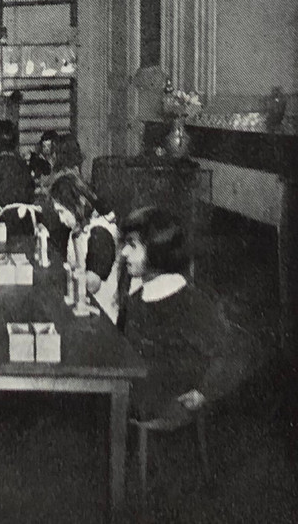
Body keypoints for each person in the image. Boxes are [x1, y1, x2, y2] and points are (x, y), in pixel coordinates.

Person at [120, 206, 232, 421]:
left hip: (162, 406)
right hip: (135, 393)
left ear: (157, 252)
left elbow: (230, 351)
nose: (124, 252)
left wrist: (204, 391)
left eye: (132, 246)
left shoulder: (189, 301)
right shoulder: (137, 298)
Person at [50, 173, 120, 323]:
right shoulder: (79, 229)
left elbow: (93, 284)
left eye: (62, 212)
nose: (61, 220)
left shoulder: (100, 233)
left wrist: (58, 280)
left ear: (80, 203)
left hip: (103, 317)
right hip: (83, 307)